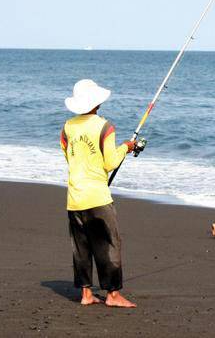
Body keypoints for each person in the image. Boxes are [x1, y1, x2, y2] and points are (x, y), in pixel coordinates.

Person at [60, 79, 137, 308]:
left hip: (75, 196)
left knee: (81, 247)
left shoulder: (67, 127)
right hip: (97, 197)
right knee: (108, 245)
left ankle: (86, 294)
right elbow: (110, 162)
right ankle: (112, 295)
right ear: (97, 103)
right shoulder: (105, 127)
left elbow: (70, 157)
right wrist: (126, 147)